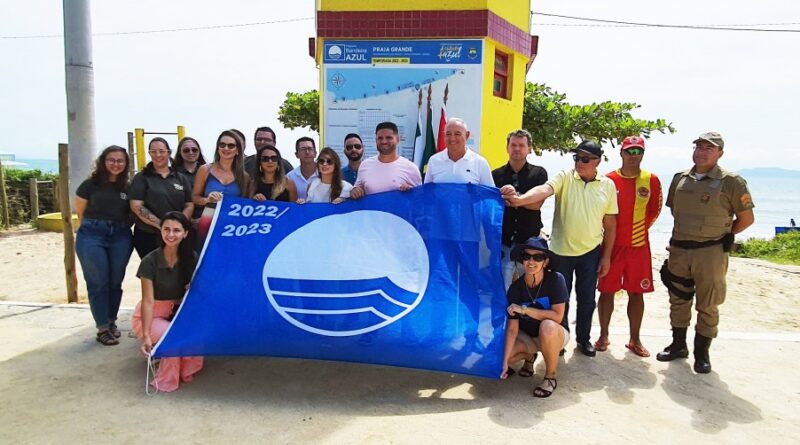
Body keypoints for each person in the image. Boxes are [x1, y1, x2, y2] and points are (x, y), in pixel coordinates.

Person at [503, 140, 617, 357]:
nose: (579, 163)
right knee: (559, 300)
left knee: (587, 299)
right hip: (559, 251)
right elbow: (544, 190)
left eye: (585, 159)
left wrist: (607, 257)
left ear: (597, 161)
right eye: (576, 157)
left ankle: (584, 340)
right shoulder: (565, 176)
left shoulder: (608, 185)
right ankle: (559, 341)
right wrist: (519, 200)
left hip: (590, 253)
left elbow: (610, 225)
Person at [657, 132, 754, 373]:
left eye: (708, 148)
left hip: (710, 253)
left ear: (720, 153)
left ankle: (702, 353)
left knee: (708, 302)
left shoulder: (732, 182)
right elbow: (675, 212)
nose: (701, 151)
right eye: (698, 146)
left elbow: (746, 218)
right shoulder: (680, 179)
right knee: (678, 298)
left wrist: (725, 234)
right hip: (680, 249)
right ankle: (678, 345)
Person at [595, 136, 662, 357]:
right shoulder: (608, 180)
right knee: (606, 292)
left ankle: (635, 339)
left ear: (642, 154)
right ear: (621, 153)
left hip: (638, 246)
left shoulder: (651, 179)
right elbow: (600, 212)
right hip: (612, 247)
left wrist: (637, 231)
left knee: (637, 293)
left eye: (638, 152)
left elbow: (654, 210)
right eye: (629, 151)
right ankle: (603, 335)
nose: (633, 156)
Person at [132, 211, 203, 392]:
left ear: (185, 234)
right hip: (150, 314)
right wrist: (146, 335)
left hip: (177, 312)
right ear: (161, 231)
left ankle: (168, 355)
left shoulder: (191, 257)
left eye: (177, 230)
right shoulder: (150, 261)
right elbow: (147, 301)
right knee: (174, 337)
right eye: (166, 229)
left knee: (194, 339)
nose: (171, 235)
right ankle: (165, 378)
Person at [74, 146, 134, 346]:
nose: (116, 164)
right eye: (111, 160)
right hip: (92, 235)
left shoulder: (128, 187)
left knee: (115, 282)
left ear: (126, 164)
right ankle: (102, 328)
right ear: (103, 161)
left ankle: (111, 321)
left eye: (120, 160)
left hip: (120, 235)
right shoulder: (89, 185)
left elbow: (132, 211)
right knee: (98, 282)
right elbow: (81, 213)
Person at [501, 236, 569, 398]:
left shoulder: (555, 280)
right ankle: (530, 356)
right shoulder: (516, 288)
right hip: (529, 338)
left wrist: (525, 310)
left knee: (548, 326)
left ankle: (550, 377)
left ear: (545, 262)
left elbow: (557, 317)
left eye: (538, 257)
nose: (531, 262)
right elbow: (512, 328)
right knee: (503, 355)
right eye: (527, 257)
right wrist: (504, 363)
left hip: (555, 334)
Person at [492, 129, 548, 289]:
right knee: (503, 292)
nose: (517, 149)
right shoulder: (495, 175)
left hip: (530, 245)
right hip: (504, 244)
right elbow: (493, 207)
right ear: (507, 147)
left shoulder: (539, 174)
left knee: (531, 291)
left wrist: (513, 199)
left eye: (521, 145)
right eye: (513, 145)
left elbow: (537, 204)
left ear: (529, 148)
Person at [129, 137, 194, 258]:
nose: (157, 155)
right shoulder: (142, 177)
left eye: (161, 151)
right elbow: (136, 206)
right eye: (153, 152)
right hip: (148, 235)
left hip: (176, 236)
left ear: (169, 152)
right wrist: (162, 225)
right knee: (152, 272)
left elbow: (189, 204)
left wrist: (176, 225)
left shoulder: (180, 177)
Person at [192, 130, 251, 248]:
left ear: (238, 151)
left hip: (232, 224)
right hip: (208, 219)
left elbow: (245, 204)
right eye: (222, 144)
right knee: (204, 255)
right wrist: (207, 200)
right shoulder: (205, 170)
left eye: (231, 145)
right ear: (218, 148)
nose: (226, 148)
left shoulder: (244, 177)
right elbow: (194, 197)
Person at [350, 122, 422, 199]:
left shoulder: (410, 168)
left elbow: (419, 198)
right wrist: (354, 191)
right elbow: (357, 190)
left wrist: (410, 191)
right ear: (376, 140)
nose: (384, 141)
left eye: (389, 138)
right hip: (371, 211)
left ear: (397, 139)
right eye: (380, 138)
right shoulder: (365, 165)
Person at [423, 118, 494, 186]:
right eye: (448, 134)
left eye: (457, 134)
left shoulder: (480, 163)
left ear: (467, 135)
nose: (452, 139)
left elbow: (489, 194)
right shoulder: (434, 161)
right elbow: (427, 192)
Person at [173, 137, 207, 221]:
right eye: (186, 150)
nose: (191, 152)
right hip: (180, 219)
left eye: (194, 150)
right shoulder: (172, 173)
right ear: (180, 153)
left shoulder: (209, 172)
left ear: (199, 151)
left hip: (205, 218)